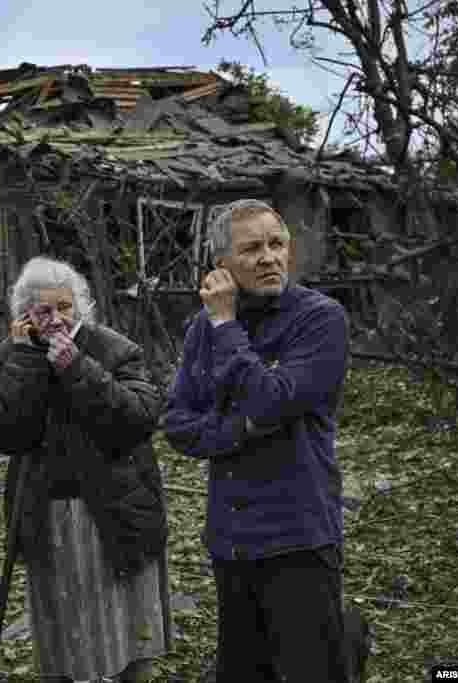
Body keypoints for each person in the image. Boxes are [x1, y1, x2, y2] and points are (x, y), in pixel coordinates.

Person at [163, 199, 357, 682]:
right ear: (222, 267)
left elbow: (272, 402)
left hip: (299, 535)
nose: (269, 257)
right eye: (251, 249)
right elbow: (177, 423)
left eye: (277, 244)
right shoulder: (199, 330)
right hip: (231, 540)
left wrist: (228, 326)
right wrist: (240, 429)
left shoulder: (321, 319)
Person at [0, 256, 169, 683]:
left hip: (115, 508)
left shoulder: (114, 347)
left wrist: (77, 368)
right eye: (44, 310)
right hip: (48, 515)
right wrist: (26, 364)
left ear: (80, 305)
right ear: (26, 314)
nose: (57, 319)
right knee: (62, 636)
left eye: (65, 307)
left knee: (126, 636)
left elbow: (138, 419)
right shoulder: (13, 354)